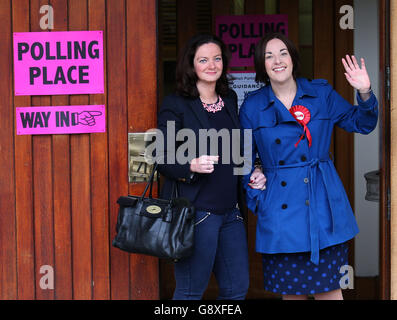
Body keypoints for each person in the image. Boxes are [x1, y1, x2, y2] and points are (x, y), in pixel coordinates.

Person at [239, 32, 378, 300]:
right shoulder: (253, 106)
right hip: (280, 211)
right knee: (293, 294)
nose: (277, 60)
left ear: (293, 58)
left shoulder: (320, 94)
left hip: (323, 206)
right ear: (261, 65)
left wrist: (364, 91)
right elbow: (241, 159)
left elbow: (362, 124)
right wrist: (258, 196)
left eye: (283, 53)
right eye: (268, 56)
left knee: (330, 292)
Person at [156, 33, 266, 300]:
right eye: (203, 60)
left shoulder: (229, 101)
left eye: (217, 58)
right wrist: (189, 164)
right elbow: (159, 154)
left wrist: (256, 169)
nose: (211, 65)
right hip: (197, 213)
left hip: (231, 213)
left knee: (236, 290)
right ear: (191, 65)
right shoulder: (176, 104)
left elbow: (239, 149)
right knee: (191, 291)